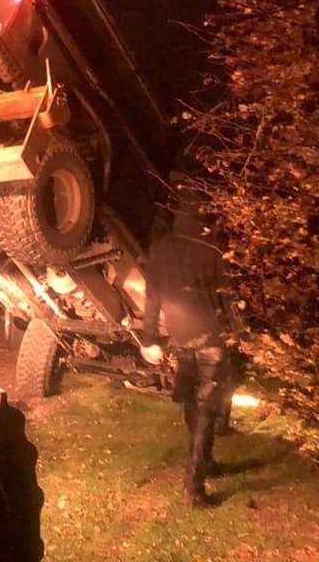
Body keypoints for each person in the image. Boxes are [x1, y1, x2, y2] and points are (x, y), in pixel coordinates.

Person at [139, 177, 238, 507]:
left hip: (181, 339)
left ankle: (205, 462)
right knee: (207, 409)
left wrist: (149, 339)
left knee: (194, 406)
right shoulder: (212, 248)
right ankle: (194, 487)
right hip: (211, 338)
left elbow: (151, 301)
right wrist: (242, 334)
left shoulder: (160, 249)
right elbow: (229, 299)